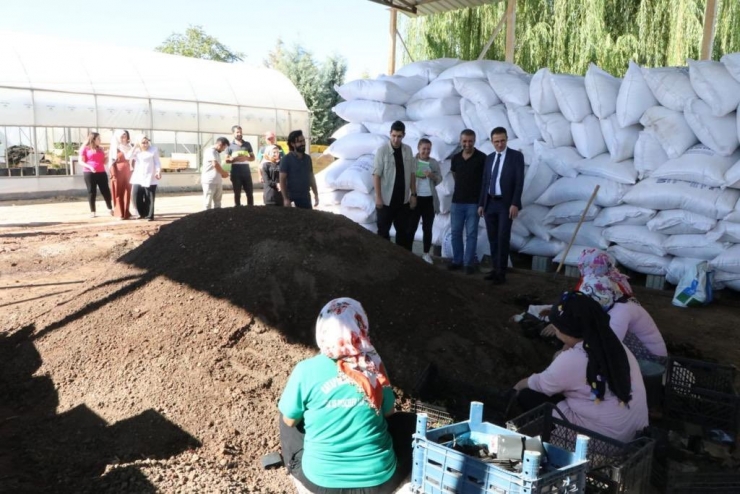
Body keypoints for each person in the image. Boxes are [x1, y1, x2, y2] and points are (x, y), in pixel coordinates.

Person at [278, 298, 412, 494]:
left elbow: (290, 421)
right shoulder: (373, 364)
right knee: (407, 422)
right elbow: (389, 413)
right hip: (379, 483)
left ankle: (294, 466)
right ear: (361, 325)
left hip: (322, 484)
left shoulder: (305, 370)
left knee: (286, 416)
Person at [513, 291, 649, 443]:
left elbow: (535, 384)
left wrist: (515, 389)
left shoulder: (573, 359)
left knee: (528, 395)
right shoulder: (613, 343)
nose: (556, 331)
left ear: (569, 332)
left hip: (601, 442)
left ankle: (555, 442)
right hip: (633, 434)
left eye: (557, 328)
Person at [575, 249, 667, 361]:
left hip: (653, 362)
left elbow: (607, 345)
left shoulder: (620, 312)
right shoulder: (613, 290)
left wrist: (572, 349)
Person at [478, 127, 525, 285]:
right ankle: (495, 268)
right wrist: (481, 204)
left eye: (502, 140)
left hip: (506, 204)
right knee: (492, 238)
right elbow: (485, 181)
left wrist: (515, 203)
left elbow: (519, 182)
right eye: (496, 141)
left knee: (503, 237)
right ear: (492, 142)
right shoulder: (489, 158)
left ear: (507, 139)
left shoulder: (516, 156)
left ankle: (501, 272)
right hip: (490, 203)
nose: (499, 144)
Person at [373, 121, 417, 250]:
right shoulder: (382, 151)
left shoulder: (407, 150)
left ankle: (403, 263)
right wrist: (378, 197)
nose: (396, 139)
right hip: (386, 201)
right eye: (393, 135)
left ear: (404, 135)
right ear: (390, 134)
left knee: (403, 233)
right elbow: (376, 175)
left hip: (402, 201)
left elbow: (412, 174)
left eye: (399, 136)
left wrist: (413, 194)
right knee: (383, 233)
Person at [449, 129, 486, 274]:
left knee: (471, 233)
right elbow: (454, 175)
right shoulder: (456, 158)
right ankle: (457, 261)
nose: (467, 144)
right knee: (456, 232)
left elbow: (485, 181)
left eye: (470, 141)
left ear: (474, 141)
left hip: (474, 203)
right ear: (460, 141)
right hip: (457, 202)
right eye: (464, 141)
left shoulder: (482, 158)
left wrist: (481, 203)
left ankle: (468, 263)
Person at [408, 138, 442, 264]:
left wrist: (431, 176)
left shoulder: (433, 163)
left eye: (428, 149)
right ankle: (408, 252)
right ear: (418, 148)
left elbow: (439, 179)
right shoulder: (412, 161)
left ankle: (426, 253)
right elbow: (406, 176)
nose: (426, 151)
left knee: (427, 228)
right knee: (411, 226)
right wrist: (415, 176)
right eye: (424, 149)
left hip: (429, 199)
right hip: (415, 198)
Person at [279, 130, 319, 209]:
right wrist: (286, 199)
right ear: (292, 144)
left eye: (303, 140)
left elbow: (311, 177)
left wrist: (316, 194)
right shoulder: (286, 159)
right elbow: (282, 180)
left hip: (306, 198)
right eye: (300, 142)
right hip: (292, 198)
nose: (303, 143)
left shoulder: (307, 158)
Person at [79, 132, 113, 218]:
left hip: (101, 172)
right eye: (98, 138)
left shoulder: (101, 149)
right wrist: (89, 167)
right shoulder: (85, 149)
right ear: (93, 139)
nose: (100, 140)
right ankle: (93, 211)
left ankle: (110, 208)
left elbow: (104, 162)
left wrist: (108, 156)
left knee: (106, 191)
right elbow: (81, 161)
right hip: (89, 173)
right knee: (91, 191)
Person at [130, 135, 162, 221]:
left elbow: (157, 162)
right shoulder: (136, 151)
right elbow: (127, 157)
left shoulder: (153, 150)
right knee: (136, 195)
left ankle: (149, 215)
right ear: (139, 143)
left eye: (146, 142)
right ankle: (141, 213)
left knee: (149, 196)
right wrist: (135, 147)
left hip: (150, 176)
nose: (145, 144)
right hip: (138, 176)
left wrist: (158, 171)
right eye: (143, 143)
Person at [225, 125, 255, 207]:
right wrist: (234, 159)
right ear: (233, 133)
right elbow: (226, 160)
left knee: (249, 192)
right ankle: (237, 208)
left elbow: (253, 158)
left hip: (246, 170)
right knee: (237, 192)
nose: (239, 134)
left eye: (240, 132)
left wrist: (246, 158)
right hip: (236, 170)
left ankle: (251, 208)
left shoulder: (247, 144)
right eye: (237, 132)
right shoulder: (229, 145)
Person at [108, 130, 134, 220]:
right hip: (118, 172)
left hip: (129, 172)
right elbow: (111, 162)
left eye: (125, 136)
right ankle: (119, 213)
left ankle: (126, 212)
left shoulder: (130, 147)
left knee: (128, 192)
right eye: (122, 137)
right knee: (118, 192)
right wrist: (113, 173)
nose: (124, 139)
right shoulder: (115, 148)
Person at [202, 137, 231, 210]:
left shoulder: (216, 152)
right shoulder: (210, 151)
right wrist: (224, 173)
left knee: (218, 202)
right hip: (209, 181)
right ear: (220, 145)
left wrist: (222, 174)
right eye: (224, 147)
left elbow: (217, 166)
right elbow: (215, 164)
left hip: (217, 181)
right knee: (207, 203)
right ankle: (207, 218)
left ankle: (217, 218)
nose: (224, 150)